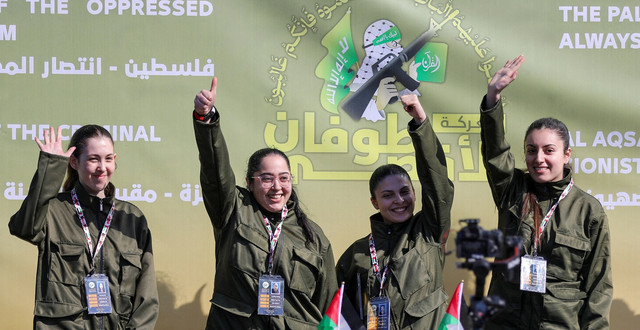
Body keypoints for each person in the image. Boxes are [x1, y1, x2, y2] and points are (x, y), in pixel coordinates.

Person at [192, 76, 338, 329]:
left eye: (284, 178)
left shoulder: (314, 237)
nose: (277, 187)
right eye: (267, 179)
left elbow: (328, 307)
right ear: (250, 182)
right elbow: (215, 170)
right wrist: (207, 120)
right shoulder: (234, 210)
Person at [479, 55, 613, 329]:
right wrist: (493, 97)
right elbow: (495, 153)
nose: (538, 158)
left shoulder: (588, 210)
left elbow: (598, 286)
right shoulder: (513, 190)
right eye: (531, 150)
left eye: (548, 150)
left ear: (566, 155)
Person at [9, 125, 159, 329]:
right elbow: (23, 227)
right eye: (93, 159)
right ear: (74, 162)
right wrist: (52, 166)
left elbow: (147, 295)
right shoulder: (54, 210)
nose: (102, 167)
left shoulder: (132, 218)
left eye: (108, 159)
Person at [336, 94, 454, 329]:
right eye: (388, 195)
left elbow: (437, 185)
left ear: (414, 192)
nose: (399, 200)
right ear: (374, 202)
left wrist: (421, 123)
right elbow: (338, 309)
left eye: (404, 191)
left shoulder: (428, 232)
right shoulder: (356, 254)